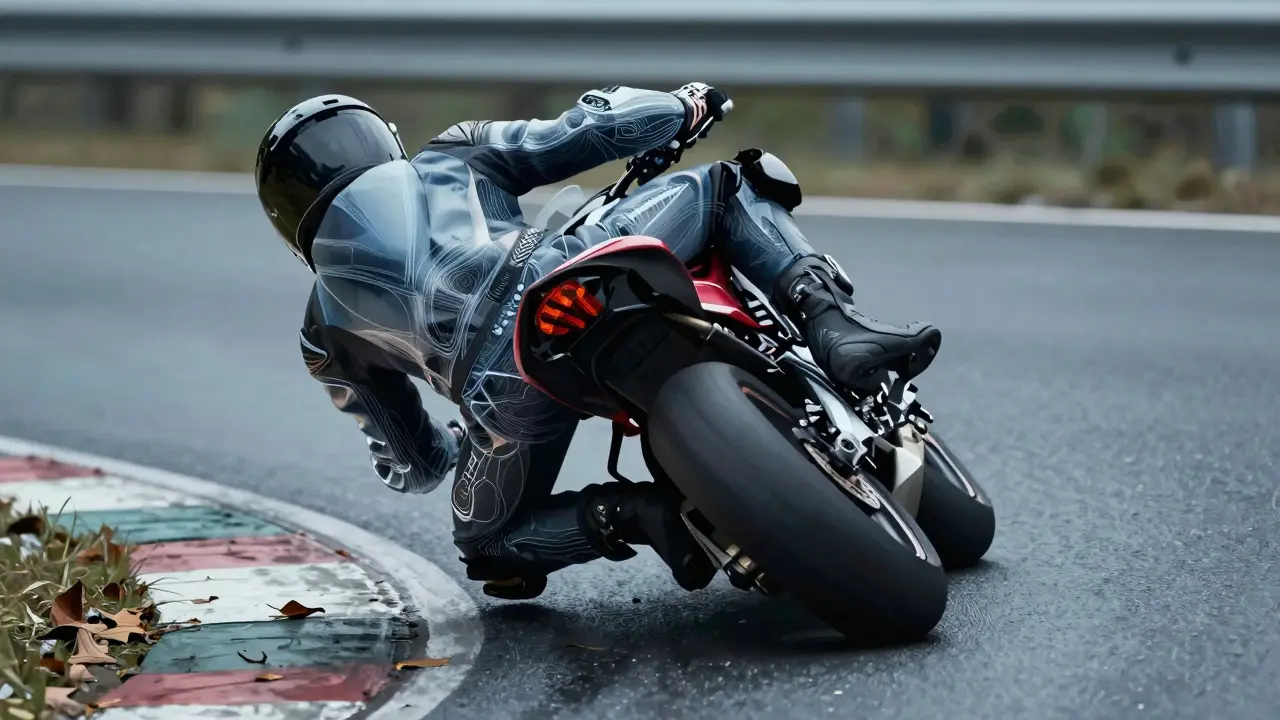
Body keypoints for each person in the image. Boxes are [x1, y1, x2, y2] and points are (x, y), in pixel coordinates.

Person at [254, 83, 942, 599]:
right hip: (571, 268)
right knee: (727, 187)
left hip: (505, 393)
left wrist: (456, 446)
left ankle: (638, 515)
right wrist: (683, 108)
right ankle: (833, 327)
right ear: (379, 139)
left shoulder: (324, 332)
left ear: (289, 224)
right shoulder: (449, 154)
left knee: (488, 544)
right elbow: (594, 127)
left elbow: (416, 463)